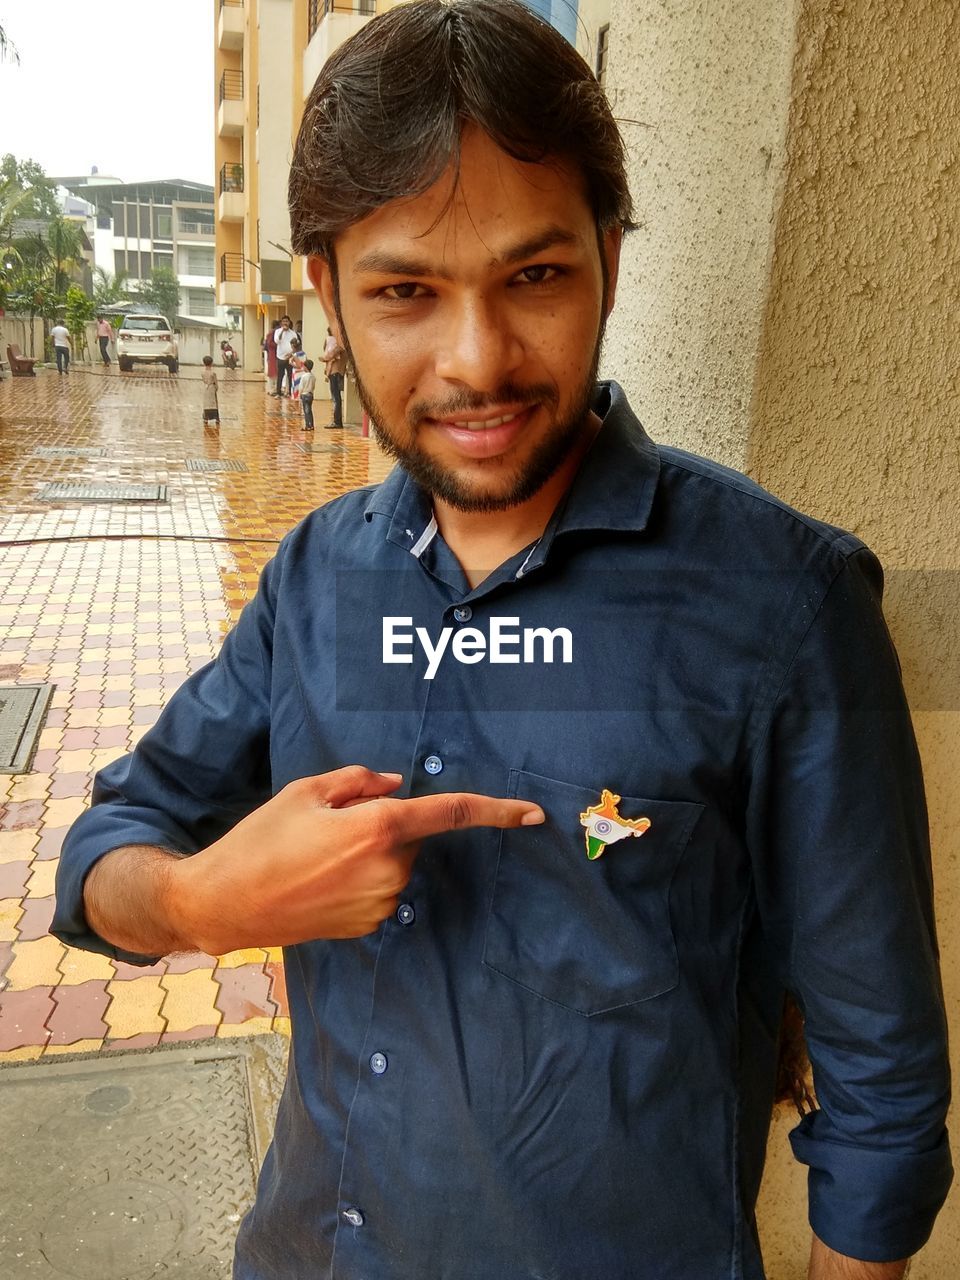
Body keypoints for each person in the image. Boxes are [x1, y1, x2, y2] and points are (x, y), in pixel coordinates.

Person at [52, 4, 951, 1279]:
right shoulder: (313, 581)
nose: (477, 360)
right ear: (327, 293)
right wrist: (206, 898)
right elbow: (103, 847)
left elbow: (884, 1089)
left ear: (611, 260)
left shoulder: (787, 605)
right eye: (406, 291)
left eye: (534, 276)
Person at [321, 324, 346, 427]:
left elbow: (332, 353)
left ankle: (337, 422)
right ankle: (337, 421)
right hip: (334, 371)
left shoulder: (340, 342)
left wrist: (327, 358)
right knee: (335, 397)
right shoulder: (333, 340)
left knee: (336, 397)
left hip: (336, 371)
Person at [271, 315, 300, 397]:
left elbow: (296, 345)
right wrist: (282, 331)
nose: (285, 323)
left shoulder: (293, 333)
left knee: (290, 375)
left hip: (290, 357)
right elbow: (277, 341)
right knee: (280, 375)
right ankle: (278, 392)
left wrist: (291, 354)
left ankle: (290, 392)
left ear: (289, 322)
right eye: (283, 321)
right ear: (281, 323)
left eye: (286, 321)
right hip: (280, 357)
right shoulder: (278, 332)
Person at [200, 355, 220, 427]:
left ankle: (206, 417)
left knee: (206, 403)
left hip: (206, 388)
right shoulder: (213, 373)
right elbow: (216, 383)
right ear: (211, 363)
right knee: (213, 402)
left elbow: (204, 381)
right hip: (212, 387)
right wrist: (216, 388)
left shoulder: (202, 373)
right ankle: (216, 418)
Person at [298, 358, 317, 430]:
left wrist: (300, 394)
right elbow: (313, 386)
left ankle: (307, 425)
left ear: (305, 367)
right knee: (309, 410)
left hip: (304, 394)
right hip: (310, 394)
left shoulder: (304, 376)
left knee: (306, 411)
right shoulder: (313, 376)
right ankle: (311, 424)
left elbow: (301, 386)